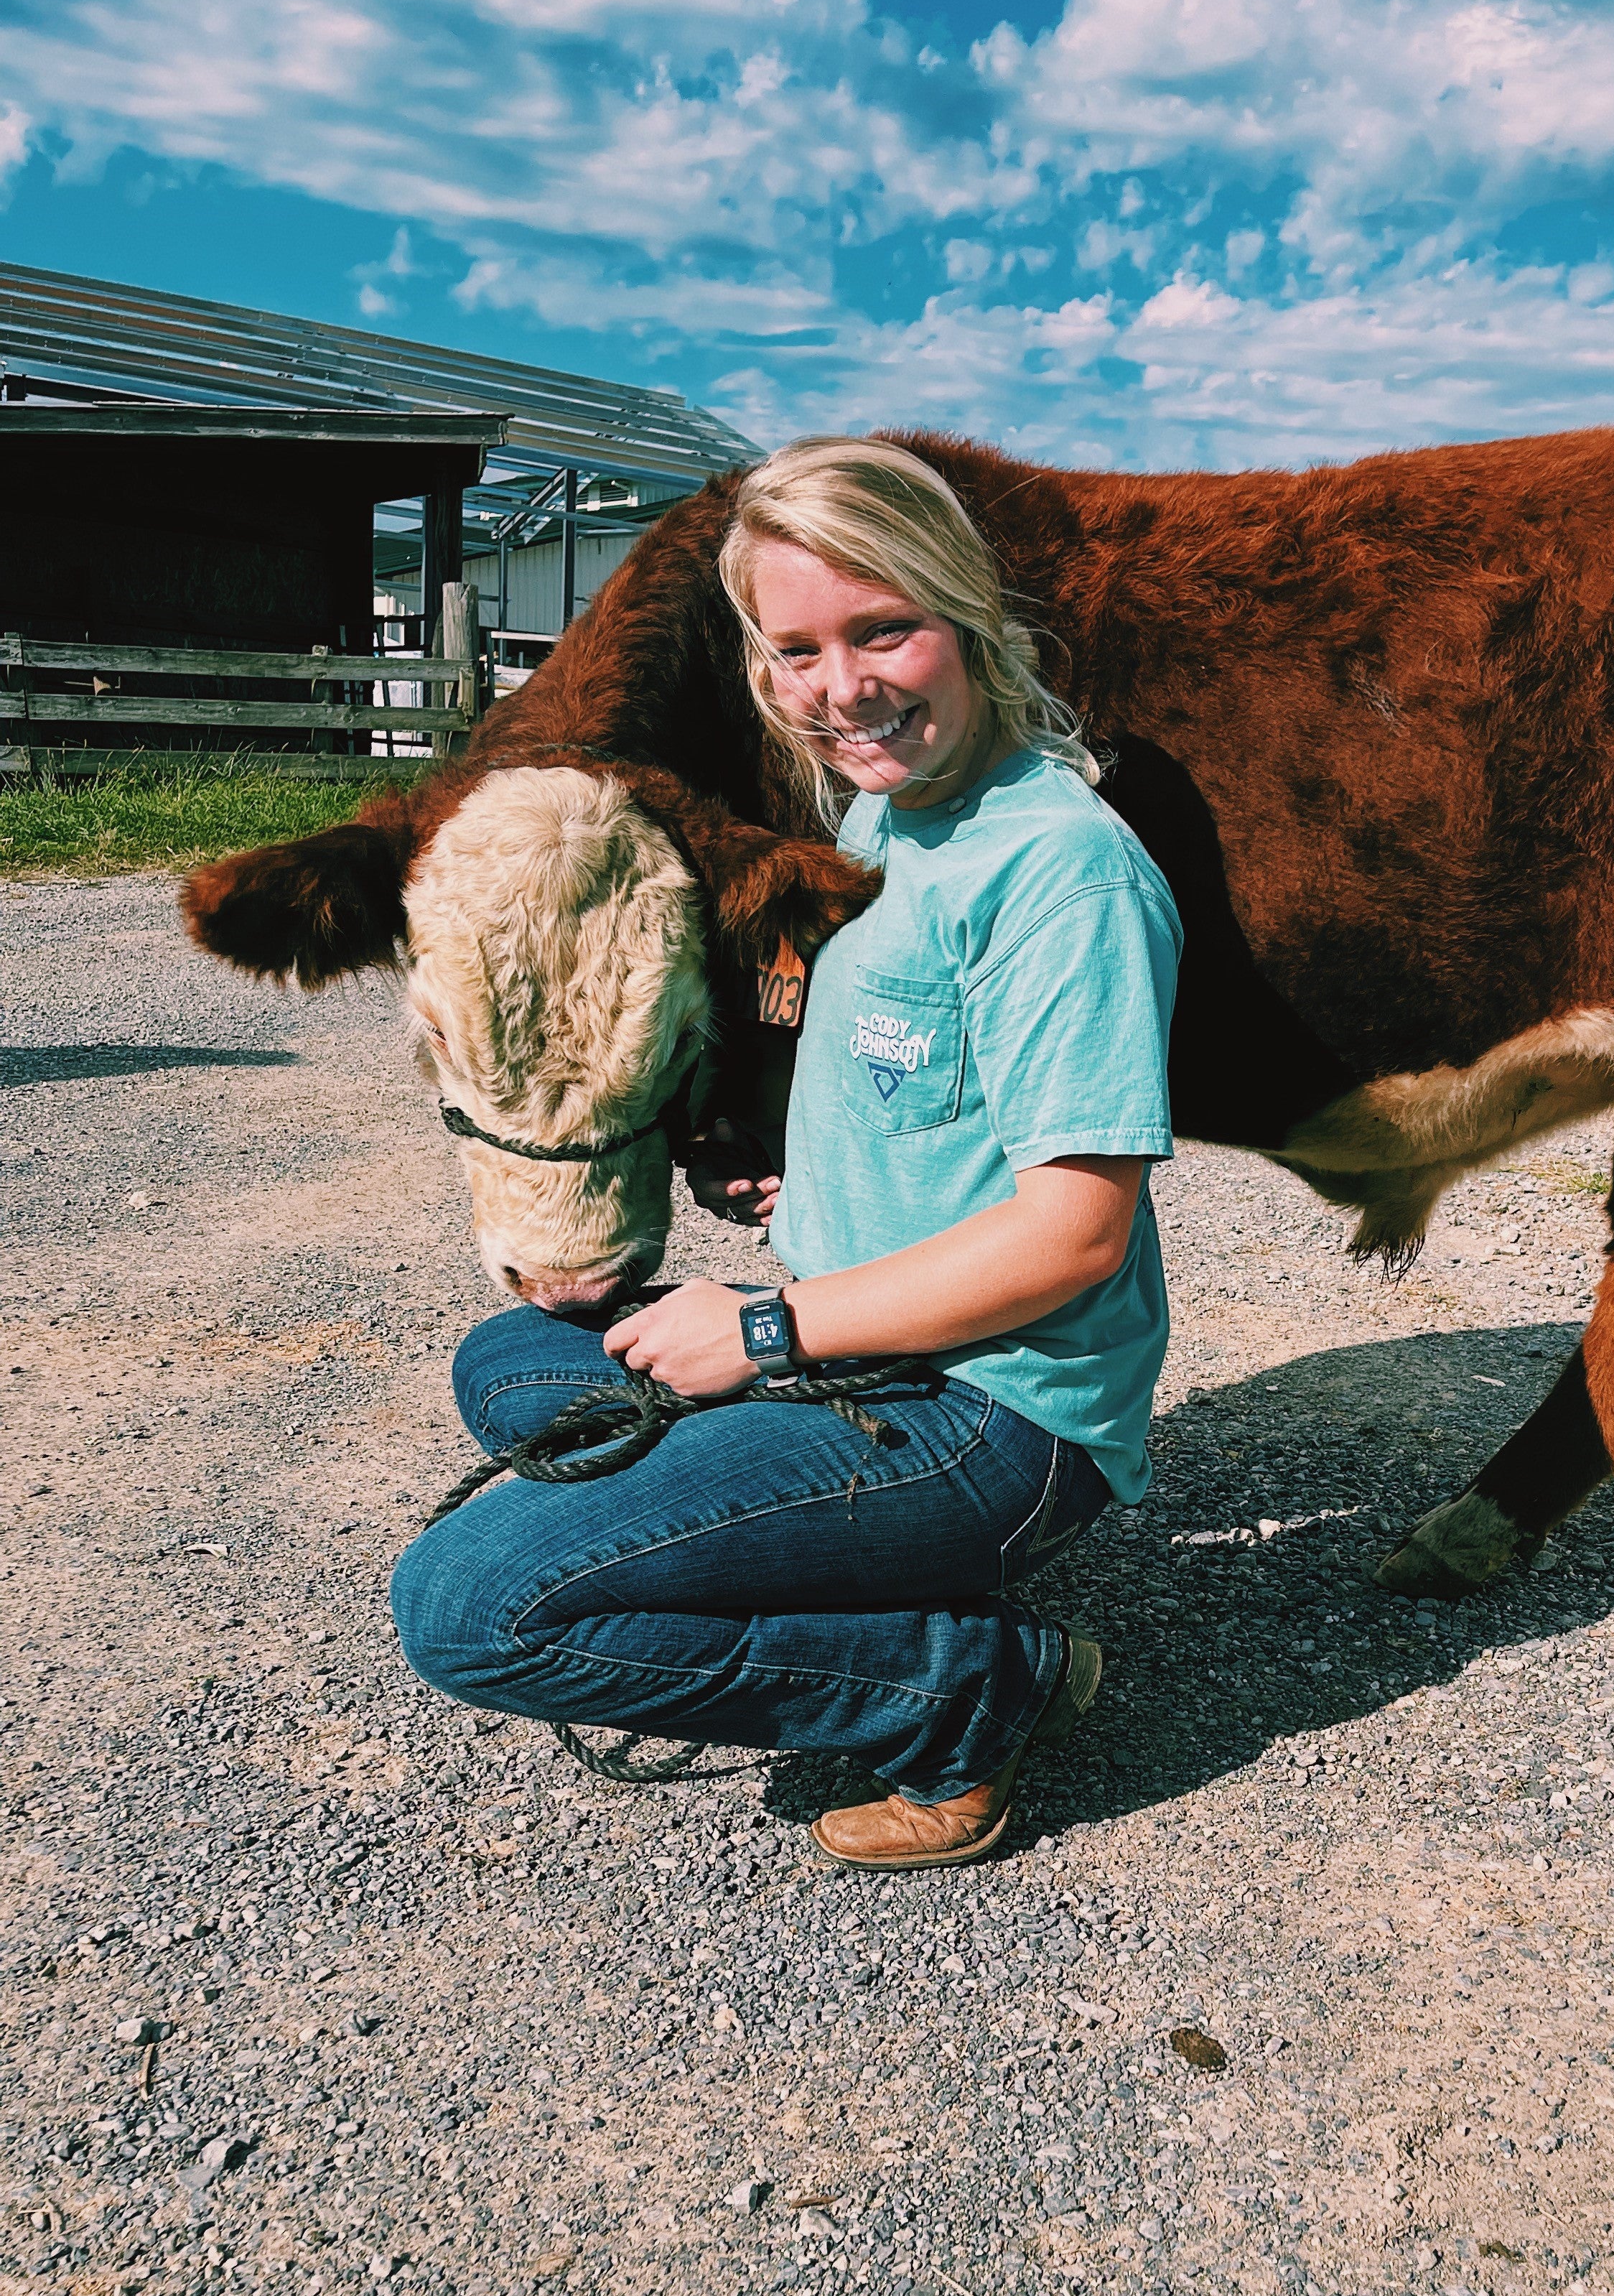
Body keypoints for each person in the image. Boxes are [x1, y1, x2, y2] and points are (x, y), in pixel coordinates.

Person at [389, 438, 1182, 1870]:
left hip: (998, 1412)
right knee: (510, 1368)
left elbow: (1076, 1237)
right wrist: (806, 1184)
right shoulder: (885, 811)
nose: (844, 687)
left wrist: (763, 1327)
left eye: (886, 630)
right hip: (868, 1353)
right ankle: (877, 1585)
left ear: (970, 617)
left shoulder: (1062, 873)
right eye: (797, 648)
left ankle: (962, 1692)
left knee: (468, 1609)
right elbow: (926, 1096)